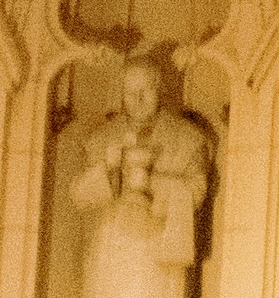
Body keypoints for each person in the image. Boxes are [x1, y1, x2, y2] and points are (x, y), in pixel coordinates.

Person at [68, 57, 214, 298]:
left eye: (145, 90)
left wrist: (149, 182)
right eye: (130, 92)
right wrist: (108, 169)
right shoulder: (103, 137)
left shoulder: (188, 138)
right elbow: (78, 196)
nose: (137, 100)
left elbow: (197, 191)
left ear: (159, 89)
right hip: (112, 248)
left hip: (159, 246)